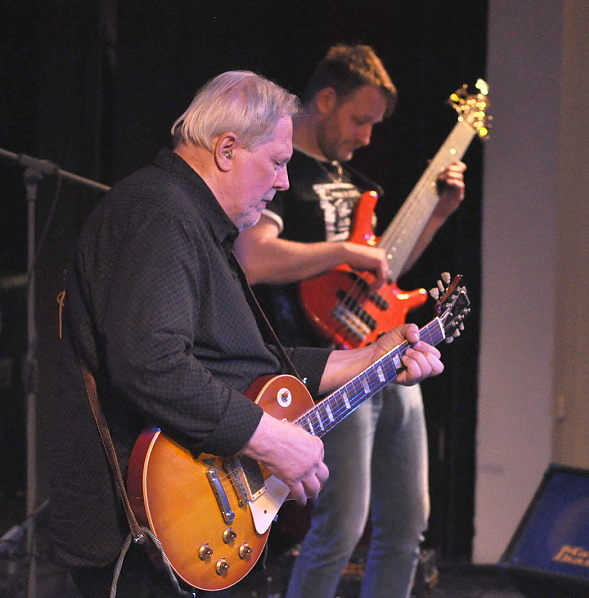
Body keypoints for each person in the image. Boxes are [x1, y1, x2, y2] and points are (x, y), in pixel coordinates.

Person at [46, 70, 444, 598]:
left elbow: (236, 362)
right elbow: (151, 362)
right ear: (227, 149)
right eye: (277, 162)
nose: (284, 182)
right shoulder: (159, 212)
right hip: (141, 530)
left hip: (177, 528)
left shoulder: (191, 220)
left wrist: (370, 357)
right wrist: (273, 439)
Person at [233, 44, 465, 598]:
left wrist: (438, 213)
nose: (367, 136)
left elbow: (383, 273)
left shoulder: (359, 185)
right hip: (328, 365)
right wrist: (341, 250)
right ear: (326, 100)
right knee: (341, 525)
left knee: (408, 524)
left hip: (385, 352)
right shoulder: (283, 174)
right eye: (360, 119)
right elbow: (253, 258)